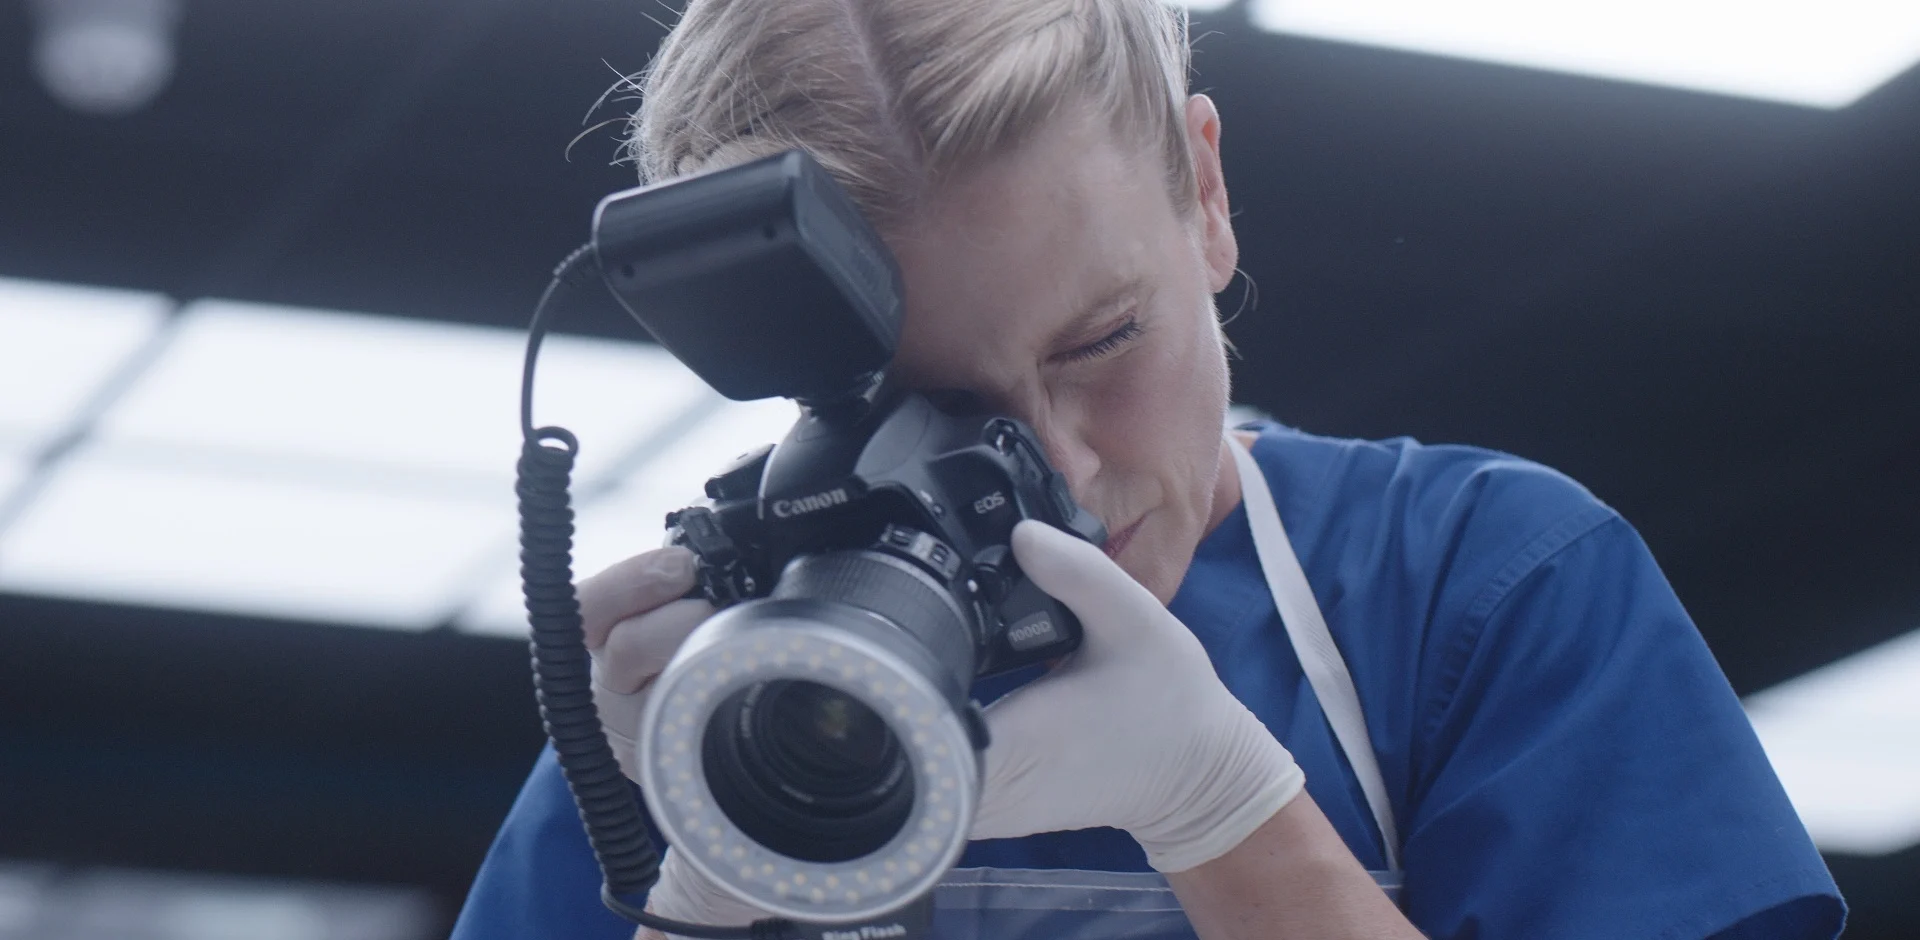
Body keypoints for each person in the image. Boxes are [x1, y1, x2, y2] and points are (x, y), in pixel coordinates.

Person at [452, 1, 1846, 937]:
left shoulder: (1477, 588)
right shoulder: (725, 696)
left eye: (1105, 338)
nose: (1061, 467)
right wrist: (714, 882)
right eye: (925, 410)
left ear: (1207, 193)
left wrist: (1223, 811)